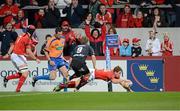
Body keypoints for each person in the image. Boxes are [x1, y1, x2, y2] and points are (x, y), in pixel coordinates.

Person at [3, 25, 40, 92]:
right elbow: (28, 51)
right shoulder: (27, 38)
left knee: (21, 73)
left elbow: (17, 45)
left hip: (14, 55)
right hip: (18, 56)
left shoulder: (21, 35)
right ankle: (18, 89)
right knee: (25, 73)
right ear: (32, 31)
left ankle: (7, 78)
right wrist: (35, 58)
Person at [53, 66, 133, 92]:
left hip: (92, 73)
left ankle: (61, 86)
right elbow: (115, 81)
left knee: (76, 84)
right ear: (115, 72)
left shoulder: (114, 73)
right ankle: (63, 85)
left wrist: (129, 90)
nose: (119, 75)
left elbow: (120, 82)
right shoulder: (110, 74)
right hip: (91, 74)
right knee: (76, 85)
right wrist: (124, 80)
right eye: (119, 73)